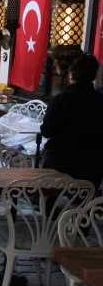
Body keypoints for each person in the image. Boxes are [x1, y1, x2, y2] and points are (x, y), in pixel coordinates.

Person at [41, 54, 103, 187]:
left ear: (72, 74)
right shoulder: (100, 101)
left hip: (59, 170)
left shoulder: (61, 100)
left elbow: (46, 131)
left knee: (48, 202)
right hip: (90, 173)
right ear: (94, 75)